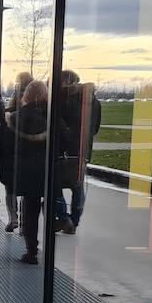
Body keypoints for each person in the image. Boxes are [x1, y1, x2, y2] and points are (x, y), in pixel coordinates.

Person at [0, 80, 72, 264]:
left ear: (27, 95)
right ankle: (51, 242)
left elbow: (6, 146)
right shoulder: (54, 119)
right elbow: (67, 143)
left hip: (27, 170)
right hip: (49, 170)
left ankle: (31, 250)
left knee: (30, 210)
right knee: (50, 205)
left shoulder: (15, 118)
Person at [52, 70, 102, 234]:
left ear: (65, 81)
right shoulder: (93, 101)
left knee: (54, 186)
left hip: (63, 150)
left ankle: (65, 219)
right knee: (78, 187)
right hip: (83, 150)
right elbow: (94, 128)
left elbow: (57, 124)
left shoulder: (62, 99)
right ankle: (74, 220)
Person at [0, 71, 36, 232]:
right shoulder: (37, 109)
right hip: (30, 155)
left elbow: (3, 132)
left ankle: (13, 217)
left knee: (10, 188)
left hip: (10, 153)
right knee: (28, 191)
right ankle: (24, 224)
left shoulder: (11, 111)